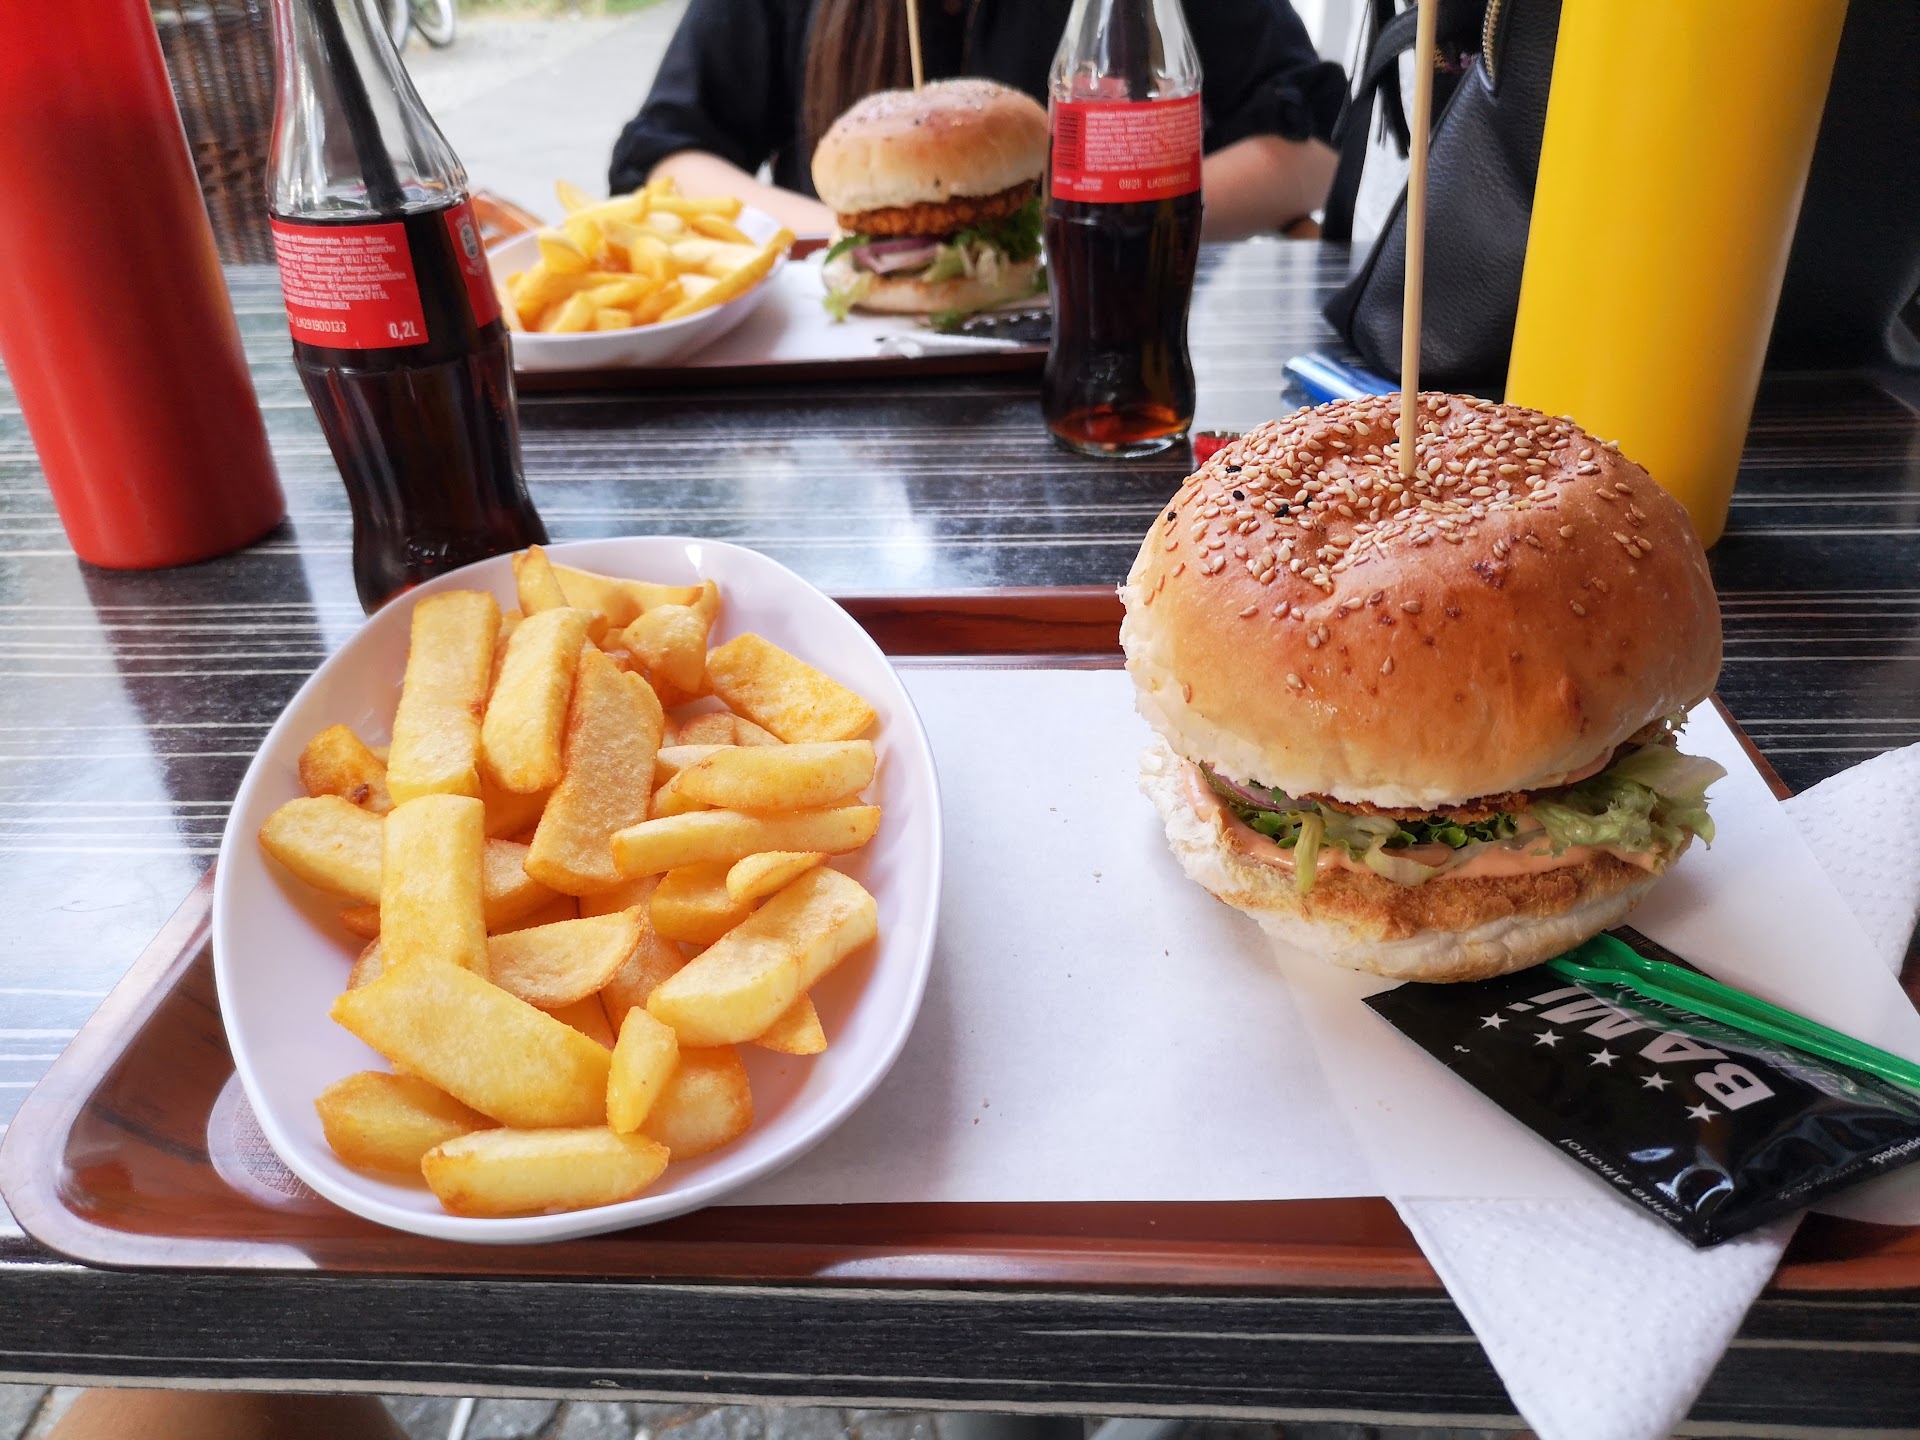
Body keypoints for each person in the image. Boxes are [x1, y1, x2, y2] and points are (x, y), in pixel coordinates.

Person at [609, 0, 1346, 241]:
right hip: (841, 380)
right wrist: (852, 238)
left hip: (1117, 347)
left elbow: (1313, 149)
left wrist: (1088, 229)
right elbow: (666, 156)